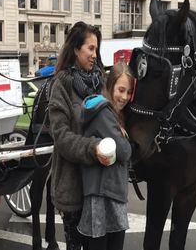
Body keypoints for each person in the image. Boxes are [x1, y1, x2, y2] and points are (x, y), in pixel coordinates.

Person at [48, 21, 111, 250]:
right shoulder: (61, 86)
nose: (95, 54)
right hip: (73, 187)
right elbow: (62, 137)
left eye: (97, 49)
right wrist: (93, 148)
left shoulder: (101, 83)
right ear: (76, 49)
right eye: (90, 48)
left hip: (99, 184)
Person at [77, 61, 135, 250]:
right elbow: (124, 151)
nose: (124, 97)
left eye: (128, 92)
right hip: (103, 194)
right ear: (110, 86)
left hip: (106, 191)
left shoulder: (111, 112)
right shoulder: (104, 113)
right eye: (121, 90)